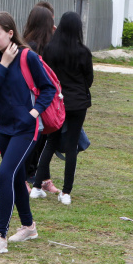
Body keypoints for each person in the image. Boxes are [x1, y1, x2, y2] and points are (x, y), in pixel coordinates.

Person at [0, 12, 57, 253]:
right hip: (4, 129)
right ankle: (29, 226)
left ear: (10, 33)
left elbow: (49, 88)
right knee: (17, 176)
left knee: (5, 175)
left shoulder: (27, 56)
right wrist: (2, 65)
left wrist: (34, 114)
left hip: (26, 129)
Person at [31, 12, 93, 205]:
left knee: (51, 141)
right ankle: (66, 193)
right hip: (78, 103)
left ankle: (36, 187)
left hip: (57, 102)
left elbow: (46, 75)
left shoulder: (50, 49)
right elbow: (88, 80)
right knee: (72, 145)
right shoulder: (83, 52)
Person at [22, 5, 58, 194]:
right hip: (35, 100)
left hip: (44, 100)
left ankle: (40, 177)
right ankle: (29, 176)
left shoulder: (46, 45)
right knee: (34, 140)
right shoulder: (31, 47)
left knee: (42, 140)